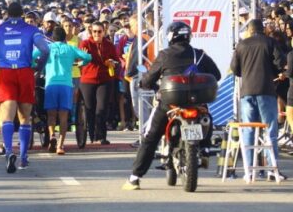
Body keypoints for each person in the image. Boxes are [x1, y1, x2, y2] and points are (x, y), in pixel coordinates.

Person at [122, 21, 221, 190]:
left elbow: (148, 79)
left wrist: (143, 83)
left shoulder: (164, 55)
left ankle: (135, 178)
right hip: (196, 104)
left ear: (170, 36)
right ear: (188, 36)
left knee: (150, 137)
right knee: (206, 116)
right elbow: (216, 75)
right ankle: (205, 148)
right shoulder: (199, 54)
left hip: (170, 104)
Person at [0, 2, 49, 173]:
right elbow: (45, 50)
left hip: (6, 73)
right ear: (22, 14)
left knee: (7, 117)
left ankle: (8, 152)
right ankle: (23, 157)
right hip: (25, 71)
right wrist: (38, 67)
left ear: (7, 13)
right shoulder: (31, 29)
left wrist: (0, 57)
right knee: (24, 118)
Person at [230, 18, 287, 181]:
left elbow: (235, 69)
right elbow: (280, 62)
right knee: (270, 130)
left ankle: (249, 170)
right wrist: (274, 72)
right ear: (262, 29)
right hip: (266, 91)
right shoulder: (270, 42)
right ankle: (271, 169)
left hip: (247, 92)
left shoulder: (241, 45)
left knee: (249, 130)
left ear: (249, 30)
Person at [36, 26, 91, 155]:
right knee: (63, 117)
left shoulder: (48, 48)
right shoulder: (70, 48)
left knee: (51, 115)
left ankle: (52, 136)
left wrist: (36, 65)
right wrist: (81, 63)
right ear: (65, 37)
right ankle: (60, 146)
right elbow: (88, 57)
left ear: (52, 38)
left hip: (51, 84)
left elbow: (33, 55)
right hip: (66, 85)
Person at [79, 22, 121, 145]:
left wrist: (112, 63)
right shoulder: (85, 43)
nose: (97, 34)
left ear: (104, 32)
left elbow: (117, 61)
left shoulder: (109, 45)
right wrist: (84, 57)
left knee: (101, 108)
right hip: (88, 80)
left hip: (105, 80)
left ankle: (101, 136)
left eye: (99, 31)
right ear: (91, 32)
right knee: (90, 109)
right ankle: (92, 135)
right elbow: (81, 59)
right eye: (94, 31)